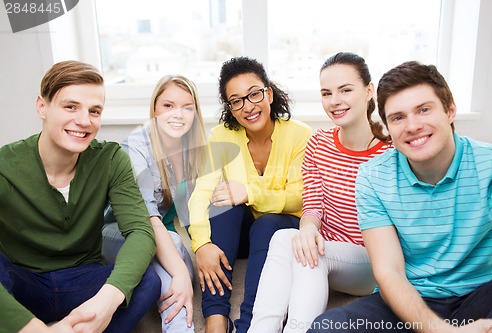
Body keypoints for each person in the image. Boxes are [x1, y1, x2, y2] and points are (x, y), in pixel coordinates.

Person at [308, 61, 492, 333]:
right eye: (398, 117)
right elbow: (389, 272)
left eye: (423, 110)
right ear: (387, 126)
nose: (412, 126)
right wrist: (441, 331)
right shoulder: (373, 176)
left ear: (450, 110)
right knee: (328, 327)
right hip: (412, 297)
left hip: (485, 292)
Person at [0, 60, 161, 333]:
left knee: (148, 280)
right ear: (42, 106)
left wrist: (106, 300)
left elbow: (140, 232)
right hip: (22, 281)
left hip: (82, 280)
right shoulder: (5, 164)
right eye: (70, 106)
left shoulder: (111, 159)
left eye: (94, 111)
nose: (84, 121)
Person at [248, 52, 390, 333]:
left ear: (369, 90)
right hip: (327, 249)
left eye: (345, 90)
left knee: (313, 254)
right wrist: (308, 228)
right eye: (326, 93)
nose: (334, 101)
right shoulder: (319, 143)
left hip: (369, 262)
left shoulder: (390, 152)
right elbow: (313, 203)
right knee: (285, 237)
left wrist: (312, 241)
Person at [188, 56, 312, 333]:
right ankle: (216, 320)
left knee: (268, 221)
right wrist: (201, 244)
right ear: (230, 108)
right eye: (237, 100)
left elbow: (300, 197)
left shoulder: (300, 135)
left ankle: (248, 324)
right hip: (244, 235)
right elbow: (201, 193)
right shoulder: (221, 135)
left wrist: (249, 192)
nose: (248, 106)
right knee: (223, 204)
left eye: (254, 94)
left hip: (283, 232)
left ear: (268, 93)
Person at [102, 75, 206, 332]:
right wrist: (182, 272)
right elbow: (148, 220)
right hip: (119, 233)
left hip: (163, 236)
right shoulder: (136, 148)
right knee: (174, 249)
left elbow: (195, 211)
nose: (177, 114)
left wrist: (204, 248)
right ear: (154, 109)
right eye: (168, 105)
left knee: (169, 266)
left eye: (187, 107)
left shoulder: (193, 147)